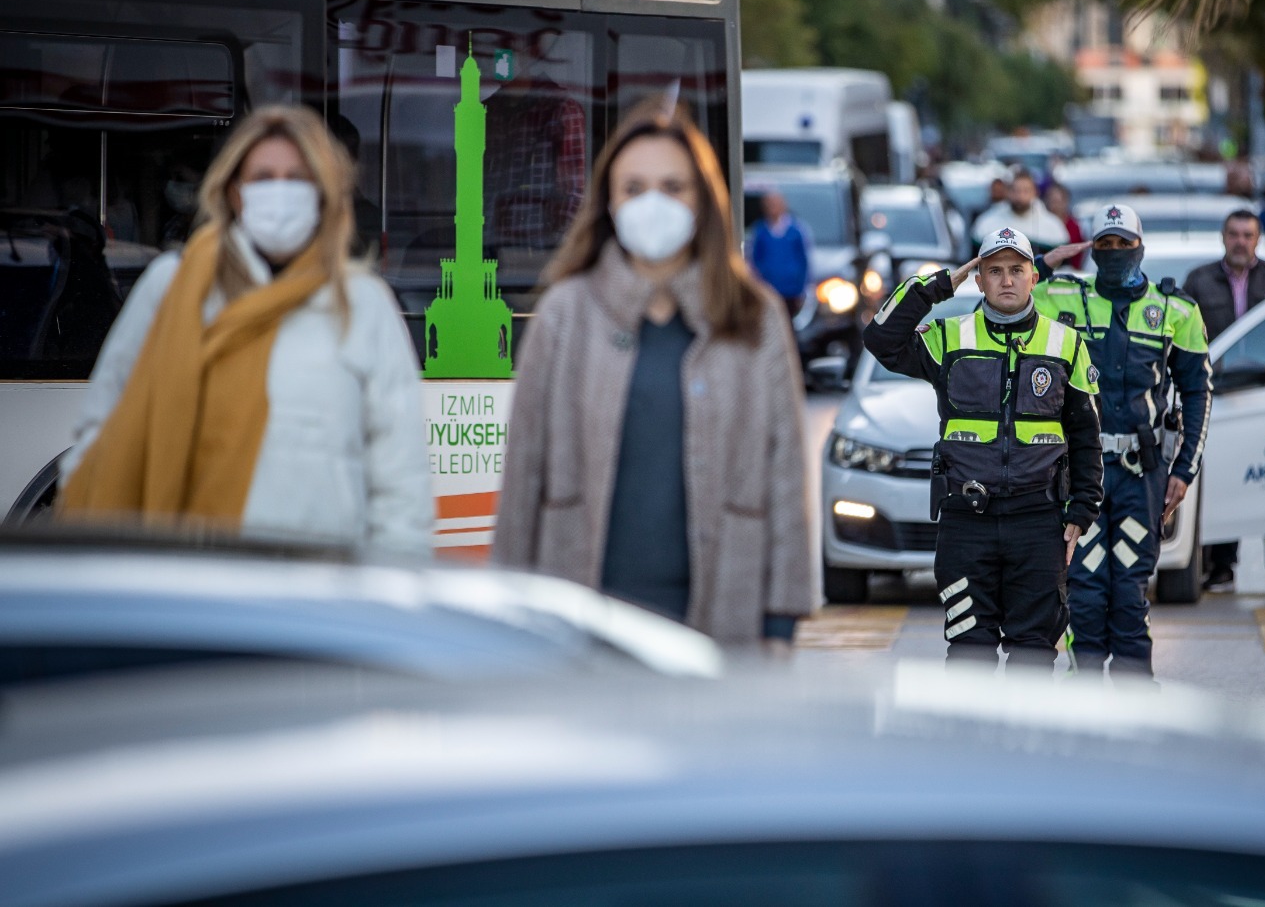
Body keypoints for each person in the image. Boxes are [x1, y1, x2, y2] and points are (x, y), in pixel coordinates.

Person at [492, 97, 816, 646]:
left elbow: (785, 473)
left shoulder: (753, 317)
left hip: (721, 618)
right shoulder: (565, 314)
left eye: (673, 187)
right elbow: (523, 474)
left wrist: (782, 617)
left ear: (702, 200)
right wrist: (505, 611)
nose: (653, 204)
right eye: (634, 188)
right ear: (608, 202)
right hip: (579, 620)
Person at [57, 105, 434, 558]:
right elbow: (103, 429)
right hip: (192, 591)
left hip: (323, 600)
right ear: (235, 193)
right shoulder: (173, 288)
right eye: (263, 178)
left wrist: (388, 597)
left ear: (323, 194)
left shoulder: (363, 303)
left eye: (297, 177)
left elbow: (400, 482)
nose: (280, 192)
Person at [865, 226, 1102, 671]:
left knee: (1032, 651)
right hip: (965, 523)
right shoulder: (948, 337)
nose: (1006, 280)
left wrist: (1082, 510)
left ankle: (1022, 743)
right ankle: (971, 743)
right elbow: (880, 338)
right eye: (994, 271)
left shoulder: (1066, 343)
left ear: (1034, 277)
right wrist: (941, 285)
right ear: (978, 279)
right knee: (969, 653)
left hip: (1038, 522)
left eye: (1016, 270)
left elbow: (1087, 434)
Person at [1034, 204, 1212, 679]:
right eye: (1105, 245)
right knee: (1086, 589)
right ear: (1092, 251)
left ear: (1141, 248)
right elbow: (999, 294)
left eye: (1123, 244)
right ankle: (1087, 694)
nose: (1114, 253)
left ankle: (1136, 695)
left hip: (1142, 474)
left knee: (1131, 589)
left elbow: (1197, 393)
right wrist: (1044, 262)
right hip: (1080, 477)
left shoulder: (1177, 310)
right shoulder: (1060, 298)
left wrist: (1184, 470)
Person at [1182, 210, 1265, 593]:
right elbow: (1186, 337)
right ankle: (1222, 568)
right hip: (1221, 396)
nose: (1240, 241)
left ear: (1258, 239)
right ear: (1223, 236)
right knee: (1224, 480)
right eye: (1233, 233)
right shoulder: (1199, 281)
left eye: (1248, 234)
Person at [747, 190, 811, 318]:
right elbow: (754, 260)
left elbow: (804, 261)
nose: (772, 208)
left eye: (775, 204)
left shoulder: (797, 231)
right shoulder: (759, 232)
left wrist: (803, 289)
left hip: (791, 291)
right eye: (769, 204)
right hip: (768, 291)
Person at [970, 169, 1068, 252]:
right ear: (1007, 192)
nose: (1020, 197)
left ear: (1035, 192)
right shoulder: (986, 223)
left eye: (1026, 191)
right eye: (1015, 190)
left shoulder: (1053, 226)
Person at [1042, 180, 1087, 269]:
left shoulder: (1074, 227)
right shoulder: (1041, 224)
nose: (1053, 206)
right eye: (1051, 201)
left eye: (1057, 201)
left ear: (1065, 202)